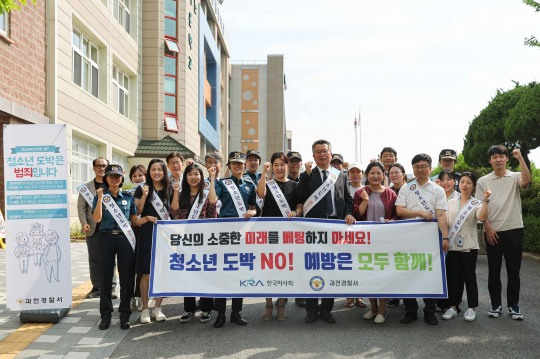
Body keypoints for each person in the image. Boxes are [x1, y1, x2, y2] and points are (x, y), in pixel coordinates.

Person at [296, 139, 356, 324]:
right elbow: (299, 196)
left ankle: (327, 310)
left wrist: (348, 213)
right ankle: (311, 311)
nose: (322, 154)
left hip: (335, 227)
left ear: (331, 154)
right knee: (312, 267)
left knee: (331, 269)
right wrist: (305, 175)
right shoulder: (308, 174)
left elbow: (347, 199)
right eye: (318, 152)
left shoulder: (340, 175)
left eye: (325, 151)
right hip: (313, 229)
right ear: (313, 156)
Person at [476, 146, 531, 320]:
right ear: (490, 160)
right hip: (493, 230)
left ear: (507, 159)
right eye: (494, 157)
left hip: (514, 229)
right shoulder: (483, 181)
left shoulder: (514, 176)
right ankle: (495, 304)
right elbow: (480, 207)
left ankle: (514, 306)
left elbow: (526, 181)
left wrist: (521, 158)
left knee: (513, 271)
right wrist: (487, 226)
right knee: (494, 270)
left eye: (501, 156)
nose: (498, 159)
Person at [395, 153, 449, 325]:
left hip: (430, 238)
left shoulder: (438, 190)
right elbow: (399, 211)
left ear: (430, 168)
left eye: (424, 166)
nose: (420, 169)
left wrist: (445, 237)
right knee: (408, 273)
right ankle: (410, 310)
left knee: (429, 273)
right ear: (413, 169)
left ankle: (430, 311)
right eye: (417, 166)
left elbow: (441, 214)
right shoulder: (406, 188)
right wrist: (419, 213)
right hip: (408, 236)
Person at [256, 152, 303, 321]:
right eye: (276, 165)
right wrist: (264, 173)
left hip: (288, 234)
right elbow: (260, 194)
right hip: (269, 233)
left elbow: (300, 205)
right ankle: (268, 304)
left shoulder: (294, 185)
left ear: (287, 166)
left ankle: (282, 304)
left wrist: (296, 212)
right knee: (268, 269)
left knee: (285, 269)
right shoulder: (267, 184)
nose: (279, 168)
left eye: (282, 165)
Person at [213, 151, 258, 328]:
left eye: (240, 163)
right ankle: (221, 314)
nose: (238, 166)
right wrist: (212, 178)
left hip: (242, 233)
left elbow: (254, 207)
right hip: (225, 233)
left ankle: (236, 313)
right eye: (234, 164)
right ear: (229, 166)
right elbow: (212, 200)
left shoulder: (249, 184)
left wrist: (253, 211)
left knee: (239, 272)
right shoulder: (222, 184)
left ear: (244, 165)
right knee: (223, 274)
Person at [92, 164, 139, 330]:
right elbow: (96, 219)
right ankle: (105, 316)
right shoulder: (100, 196)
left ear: (121, 179)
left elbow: (134, 221)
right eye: (111, 176)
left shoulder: (128, 197)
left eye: (117, 176)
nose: (114, 179)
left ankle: (125, 315)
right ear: (106, 178)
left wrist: (147, 218)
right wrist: (98, 199)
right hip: (105, 238)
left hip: (124, 238)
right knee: (106, 277)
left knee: (127, 277)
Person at [171, 163, 218, 324]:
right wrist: (176, 192)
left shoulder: (205, 194)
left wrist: (212, 178)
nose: (193, 177)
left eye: (196, 174)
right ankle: (189, 309)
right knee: (188, 274)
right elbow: (175, 212)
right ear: (186, 177)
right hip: (186, 241)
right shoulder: (182, 194)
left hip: (204, 241)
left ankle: (206, 309)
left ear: (201, 177)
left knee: (205, 273)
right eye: (190, 174)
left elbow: (212, 206)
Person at [353, 162, 398, 324]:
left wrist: (390, 220)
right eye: (372, 173)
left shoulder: (391, 194)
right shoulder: (360, 192)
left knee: (382, 274)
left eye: (379, 173)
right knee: (368, 274)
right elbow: (356, 215)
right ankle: (372, 308)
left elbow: (396, 215)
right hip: (364, 241)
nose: (376, 176)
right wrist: (364, 201)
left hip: (383, 241)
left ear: (383, 175)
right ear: (367, 175)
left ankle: (382, 310)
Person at [442, 172, 490, 322]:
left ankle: (471, 308)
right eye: (462, 182)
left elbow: (482, 217)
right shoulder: (450, 203)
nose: (464, 185)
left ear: (473, 186)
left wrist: (486, 202)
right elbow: (445, 222)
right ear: (458, 184)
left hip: (469, 246)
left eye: (468, 182)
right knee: (453, 277)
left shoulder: (477, 203)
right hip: (452, 245)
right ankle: (453, 307)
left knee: (469, 277)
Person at [134, 159, 172, 324]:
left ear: (164, 171)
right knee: (147, 273)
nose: (156, 172)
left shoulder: (170, 189)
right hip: (148, 232)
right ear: (149, 172)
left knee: (163, 272)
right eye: (153, 169)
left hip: (165, 234)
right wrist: (143, 195)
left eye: (160, 169)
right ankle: (144, 309)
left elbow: (175, 210)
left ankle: (158, 308)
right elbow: (138, 211)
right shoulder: (142, 188)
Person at [77, 157, 117, 299]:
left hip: (110, 227)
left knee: (110, 258)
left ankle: (111, 288)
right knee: (94, 258)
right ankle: (97, 287)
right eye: (99, 166)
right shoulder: (86, 188)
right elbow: (81, 207)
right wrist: (83, 223)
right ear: (94, 168)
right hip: (93, 228)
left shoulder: (113, 183)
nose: (102, 168)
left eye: (104, 166)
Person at [345, 162, 367, 308]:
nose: (354, 174)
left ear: (362, 173)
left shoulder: (366, 190)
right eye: (352, 172)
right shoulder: (344, 188)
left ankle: (359, 296)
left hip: (362, 232)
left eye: (357, 171)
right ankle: (348, 296)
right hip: (346, 231)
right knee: (347, 264)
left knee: (360, 264)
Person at [386, 163, 408, 308]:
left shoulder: (410, 190)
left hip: (408, 232)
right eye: (391, 173)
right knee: (392, 265)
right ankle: (394, 296)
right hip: (392, 234)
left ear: (404, 175)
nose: (394, 175)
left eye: (397, 172)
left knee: (405, 266)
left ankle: (408, 299)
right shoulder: (388, 191)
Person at [128, 164, 147, 312]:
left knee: (142, 265)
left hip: (144, 230)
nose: (137, 178)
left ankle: (141, 296)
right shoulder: (127, 193)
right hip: (131, 231)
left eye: (140, 175)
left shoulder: (150, 190)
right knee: (129, 265)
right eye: (134, 176)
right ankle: (130, 297)